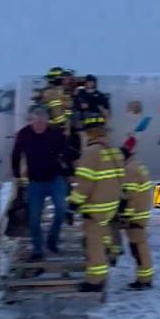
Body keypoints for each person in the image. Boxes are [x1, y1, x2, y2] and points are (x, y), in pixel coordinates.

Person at [67, 115, 125, 292]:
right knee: (104, 235)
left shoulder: (91, 153)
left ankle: (95, 280)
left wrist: (73, 204)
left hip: (95, 208)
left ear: (89, 134)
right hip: (110, 205)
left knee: (94, 244)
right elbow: (121, 177)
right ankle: (110, 254)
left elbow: (85, 184)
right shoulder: (114, 152)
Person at [11, 106, 71, 260]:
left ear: (46, 121)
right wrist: (17, 176)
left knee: (61, 210)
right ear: (31, 121)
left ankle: (52, 240)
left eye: (42, 122)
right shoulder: (24, 135)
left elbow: (65, 152)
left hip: (54, 178)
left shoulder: (55, 133)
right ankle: (37, 249)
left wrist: (68, 170)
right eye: (35, 122)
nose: (39, 125)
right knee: (34, 218)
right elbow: (16, 156)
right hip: (35, 182)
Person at [117, 136, 154, 289]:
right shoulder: (138, 166)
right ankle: (145, 277)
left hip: (136, 214)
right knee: (140, 246)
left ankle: (144, 279)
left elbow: (128, 194)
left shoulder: (130, 169)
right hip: (142, 212)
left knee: (138, 248)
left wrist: (123, 213)